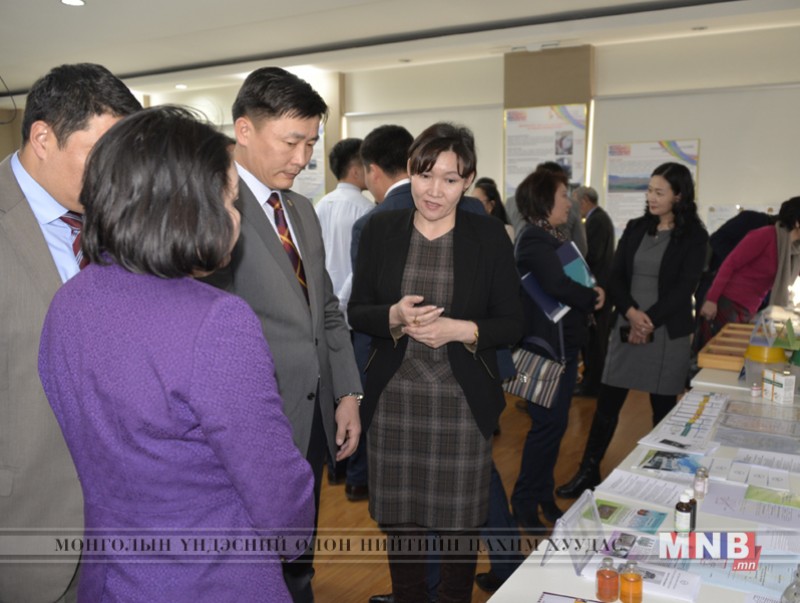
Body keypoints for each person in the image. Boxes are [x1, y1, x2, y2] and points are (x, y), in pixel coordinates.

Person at [37, 106, 315, 602]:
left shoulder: (70, 301)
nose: (236, 216)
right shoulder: (216, 321)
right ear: (188, 208)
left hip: (111, 578)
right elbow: (277, 494)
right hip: (213, 580)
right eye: (229, 200)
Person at [348, 122, 524, 603]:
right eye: (425, 176)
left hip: (460, 404)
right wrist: (393, 315)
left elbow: (514, 321)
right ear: (410, 170)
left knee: (460, 526)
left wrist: (459, 330)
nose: (434, 190)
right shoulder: (380, 229)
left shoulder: (488, 236)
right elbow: (357, 310)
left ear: (468, 181)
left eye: (450, 179)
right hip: (395, 402)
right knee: (401, 524)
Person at [206, 67, 362, 603]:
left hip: (313, 417)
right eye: (291, 141)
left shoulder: (300, 209)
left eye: (311, 143)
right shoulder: (211, 209)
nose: (302, 158)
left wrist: (347, 392)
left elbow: (327, 310)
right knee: (252, 564)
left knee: (298, 555)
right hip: (251, 425)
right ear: (244, 130)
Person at [0, 63, 141, 603]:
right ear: (43, 138)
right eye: (100, 155)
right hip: (25, 525)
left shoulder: (119, 223)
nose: (115, 175)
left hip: (122, 529)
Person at [557, 162, 708, 499]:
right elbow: (615, 275)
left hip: (666, 332)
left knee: (663, 409)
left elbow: (685, 288)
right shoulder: (637, 227)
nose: (651, 197)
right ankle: (588, 471)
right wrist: (631, 313)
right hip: (627, 324)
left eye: (659, 192)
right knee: (607, 406)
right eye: (649, 190)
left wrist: (647, 319)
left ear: (678, 195)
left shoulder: (695, 237)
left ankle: (664, 482)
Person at [508, 169, 604, 530]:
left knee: (554, 429)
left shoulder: (552, 236)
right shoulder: (533, 239)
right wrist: (593, 296)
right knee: (546, 429)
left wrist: (591, 292)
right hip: (548, 350)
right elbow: (558, 285)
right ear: (544, 200)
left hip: (563, 347)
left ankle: (543, 497)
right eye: (564, 195)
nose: (570, 202)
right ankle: (524, 503)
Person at [696, 198, 800, 350]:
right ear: (797, 222)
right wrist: (711, 300)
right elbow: (729, 264)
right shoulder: (766, 235)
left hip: (748, 309)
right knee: (717, 354)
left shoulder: (794, 250)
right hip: (726, 303)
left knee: (735, 355)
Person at [315, 137, 374, 319]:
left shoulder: (321, 204)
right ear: (355, 171)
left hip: (323, 300)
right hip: (351, 303)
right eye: (367, 166)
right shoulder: (366, 209)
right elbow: (361, 265)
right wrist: (341, 302)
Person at [575, 185, 615, 396]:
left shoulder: (596, 220)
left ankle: (592, 385)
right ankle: (593, 382)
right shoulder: (601, 218)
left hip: (598, 288)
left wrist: (571, 260)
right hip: (601, 287)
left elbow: (593, 254)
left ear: (584, 201)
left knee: (595, 341)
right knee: (596, 339)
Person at [505, 161, 588, 256]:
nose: (569, 204)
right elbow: (580, 248)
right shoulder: (534, 239)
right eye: (564, 195)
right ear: (546, 197)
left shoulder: (554, 234)